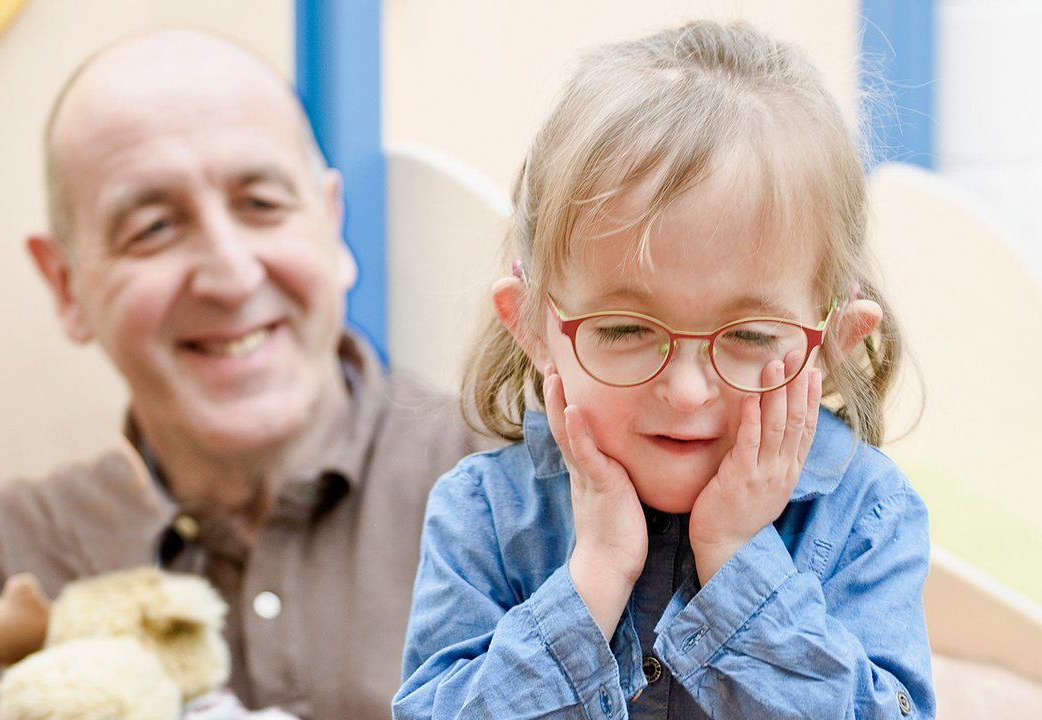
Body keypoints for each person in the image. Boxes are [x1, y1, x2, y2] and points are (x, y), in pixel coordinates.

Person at [395, 20, 935, 719]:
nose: (684, 393)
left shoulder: (869, 514)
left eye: (748, 334)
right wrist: (592, 580)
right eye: (624, 328)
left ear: (831, 343)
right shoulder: (482, 515)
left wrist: (740, 561)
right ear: (533, 326)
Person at [0, 27, 483, 719]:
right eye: (152, 227)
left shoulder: (529, 486)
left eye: (261, 204)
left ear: (331, 226)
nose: (231, 275)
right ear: (65, 284)